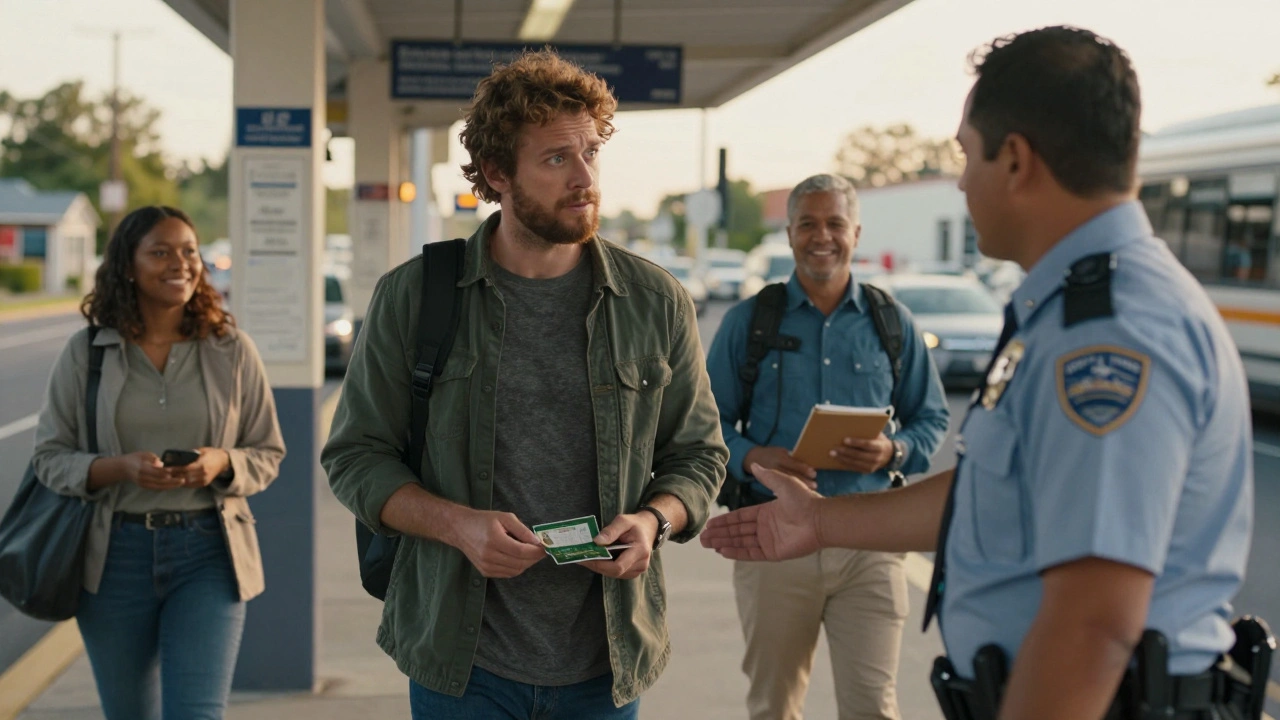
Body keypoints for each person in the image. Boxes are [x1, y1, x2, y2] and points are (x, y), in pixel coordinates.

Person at [701, 26, 1259, 720]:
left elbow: (1091, 624)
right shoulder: (1071, 308)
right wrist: (819, 520)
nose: (962, 181)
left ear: (1016, 161)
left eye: (967, 155)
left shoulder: (1108, 332)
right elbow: (997, 491)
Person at [321, 49, 728, 719]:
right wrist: (457, 526)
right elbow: (355, 456)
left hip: (606, 660)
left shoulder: (655, 302)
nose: (584, 177)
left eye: (590, 152)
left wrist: (655, 521)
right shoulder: (415, 297)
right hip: (463, 661)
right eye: (556, 159)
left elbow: (700, 455)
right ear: (496, 173)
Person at [705, 173, 950, 720]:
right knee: (774, 706)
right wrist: (752, 456)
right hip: (773, 537)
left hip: (872, 543)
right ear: (789, 232)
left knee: (872, 708)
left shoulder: (892, 323)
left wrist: (893, 451)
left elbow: (932, 417)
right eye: (808, 224)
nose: (822, 236)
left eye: (835, 224)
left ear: (856, 233)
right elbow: (704, 425)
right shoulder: (750, 321)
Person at [31, 205, 286, 720]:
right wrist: (119, 468)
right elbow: (49, 458)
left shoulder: (232, 349)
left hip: (209, 553)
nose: (181, 263)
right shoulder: (88, 352)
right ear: (128, 265)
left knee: (197, 713)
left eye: (189, 251)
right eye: (160, 252)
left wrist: (221, 461)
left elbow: (267, 451)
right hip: (113, 556)